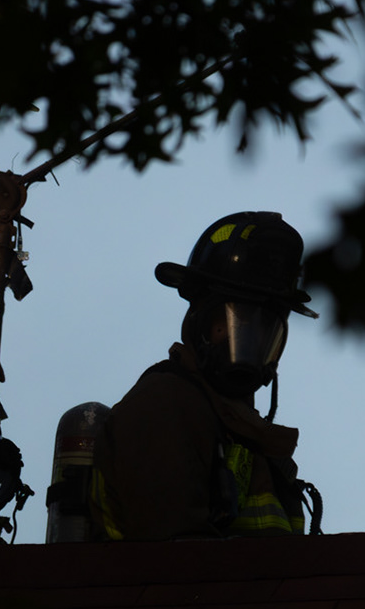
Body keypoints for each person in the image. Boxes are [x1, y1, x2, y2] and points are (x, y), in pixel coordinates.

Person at [90, 212, 319, 541]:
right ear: (198, 323)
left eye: (261, 331)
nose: (245, 344)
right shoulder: (164, 406)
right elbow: (177, 569)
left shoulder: (248, 435)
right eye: (229, 324)